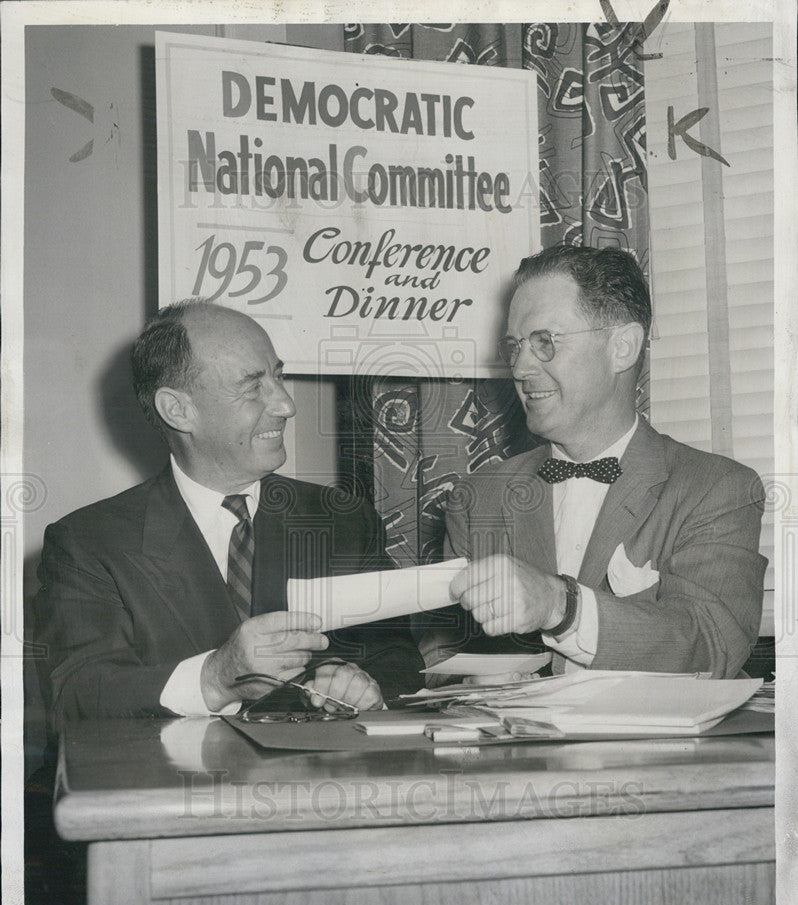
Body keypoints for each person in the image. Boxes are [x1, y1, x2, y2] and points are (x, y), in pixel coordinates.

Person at [33, 300, 424, 728]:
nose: (286, 405)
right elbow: (75, 694)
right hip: (179, 790)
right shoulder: (89, 543)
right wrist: (216, 678)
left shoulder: (344, 520)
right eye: (253, 386)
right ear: (178, 410)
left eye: (278, 375)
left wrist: (360, 684)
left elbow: (397, 660)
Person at [436, 244, 766, 677]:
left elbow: (711, 645)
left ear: (623, 348)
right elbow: (440, 662)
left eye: (544, 343)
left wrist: (561, 605)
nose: (519, 368)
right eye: (514, 346)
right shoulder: (476, 500)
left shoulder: (717, 488)